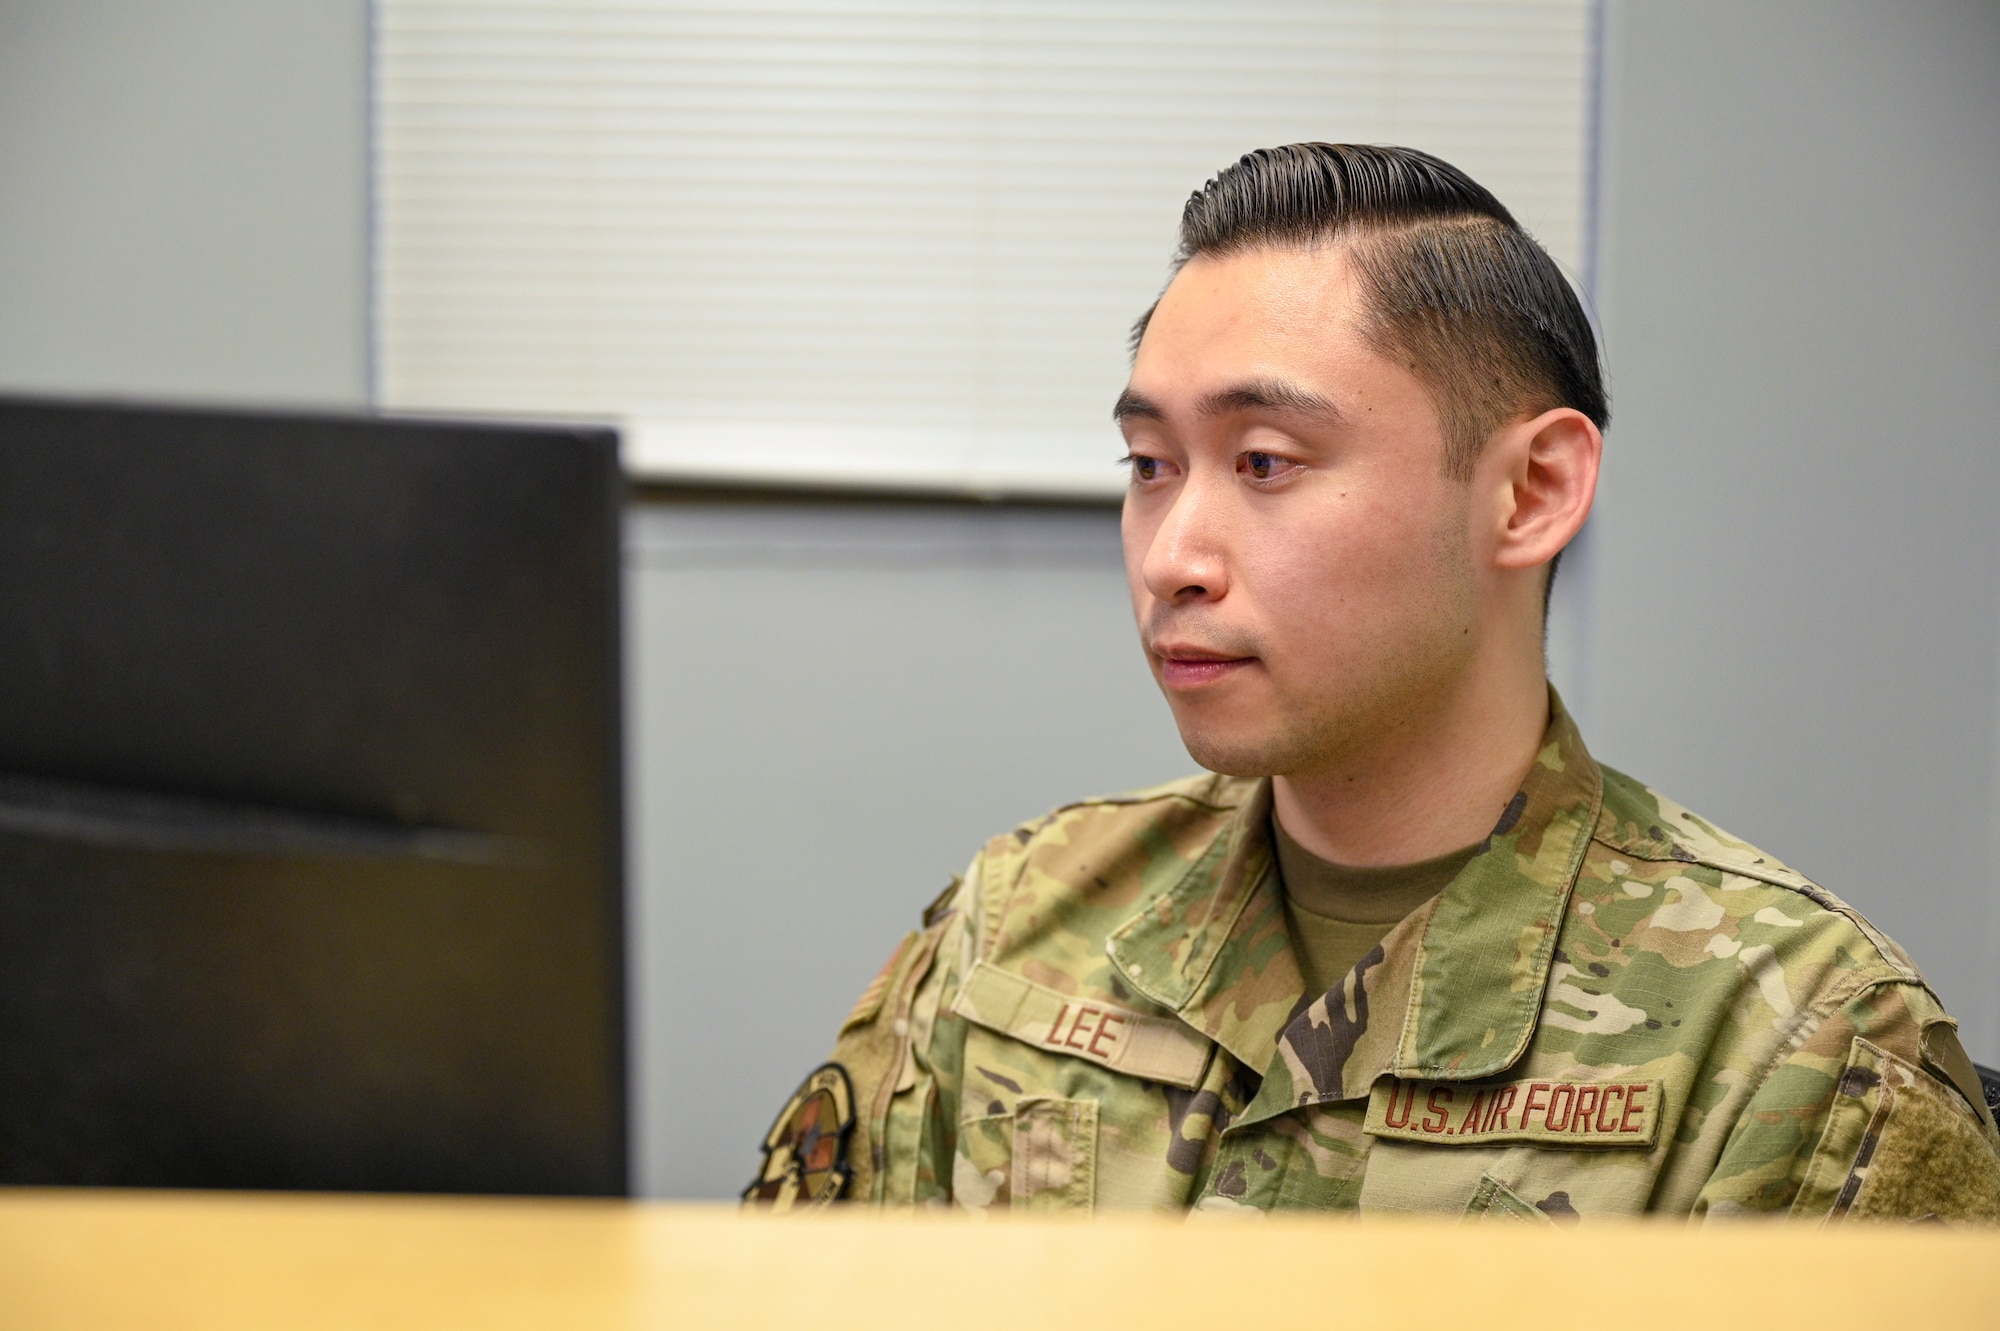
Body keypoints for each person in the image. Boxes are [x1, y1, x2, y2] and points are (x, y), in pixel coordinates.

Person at [744, 143, 2000, 1221]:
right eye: (1147, 464)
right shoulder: (1016, 922)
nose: (1172, 556)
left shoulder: (1790, 1038)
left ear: (1529, 491)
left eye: (1265, 459)